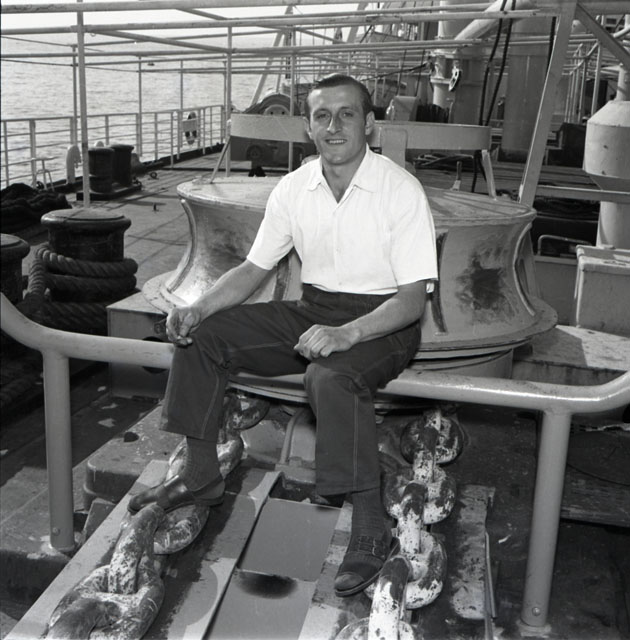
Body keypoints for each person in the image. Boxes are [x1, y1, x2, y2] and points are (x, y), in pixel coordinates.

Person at [129, 73, 438, 597]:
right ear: (308, 127)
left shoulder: (400, 191)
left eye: (346, 114)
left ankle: (369, 522)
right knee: (205, 337)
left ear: (369, 124)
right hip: (315, 309)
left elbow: (411, 301)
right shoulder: (295, 188)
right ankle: (200, 474)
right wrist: (198, 308)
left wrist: (347, 333)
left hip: (383, 322)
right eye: (322, 116)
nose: (334, 126)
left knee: (331, 377)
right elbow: (253, 269)